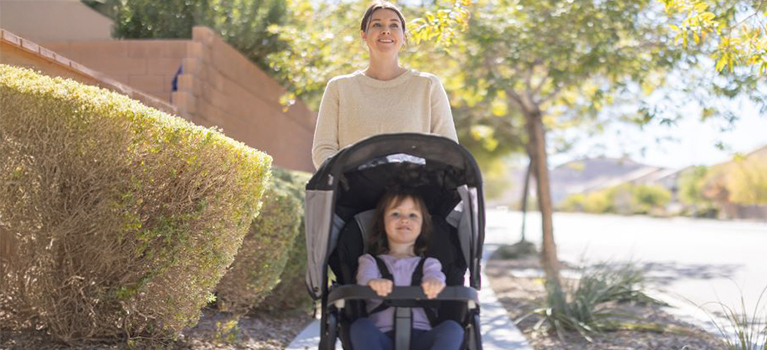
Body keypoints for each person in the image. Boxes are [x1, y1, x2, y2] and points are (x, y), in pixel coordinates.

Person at [311, 1, 458, 169]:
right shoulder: (339, 87)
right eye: (377, 24)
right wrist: (347, 179)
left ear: (403, 36)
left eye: (394, 25)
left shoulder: (427, 85)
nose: (386, 30)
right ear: (364, 35)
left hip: (413, 190)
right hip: (354, 191)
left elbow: (448, 149)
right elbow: (323, 150)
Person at [351, 191, 463, 350]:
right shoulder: (369, 261)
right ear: (382, 222)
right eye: (395, 213)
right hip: (381, 338)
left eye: (413, 215)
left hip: (423, 338)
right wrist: (372, 282)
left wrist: (434, 282)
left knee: (452, 329)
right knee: (360, 327)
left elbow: (436, 277)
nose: (404, 219)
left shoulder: (430, 264)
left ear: (423, 225)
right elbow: (363, 278)